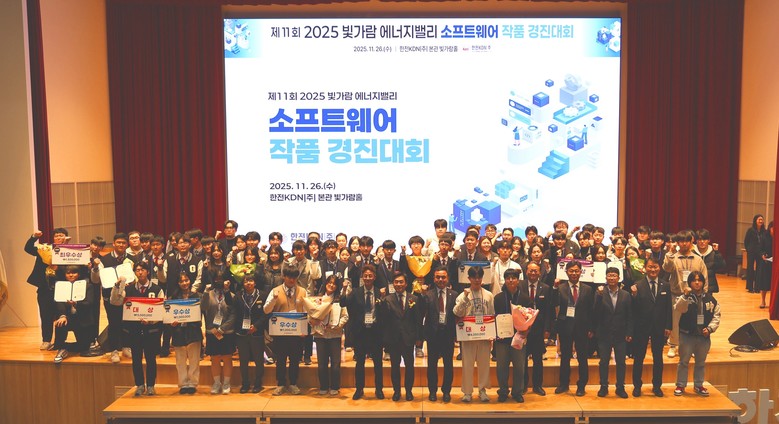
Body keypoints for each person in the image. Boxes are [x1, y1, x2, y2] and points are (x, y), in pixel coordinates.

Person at [116, 261, 164, 395]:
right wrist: (117, 286)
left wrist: (151, 320)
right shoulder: (129, 289)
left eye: (142, 270)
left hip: (151, 330)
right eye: (137, 270)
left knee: (150, 359)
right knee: (136, 359)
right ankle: (139, 385)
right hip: (134, 330)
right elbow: (116, 301)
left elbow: (161, 310)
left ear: (147, 272)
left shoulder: (157, 289)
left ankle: (151, 386)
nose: (140, 272)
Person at [340, 264, 385, 400]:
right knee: (360, 363)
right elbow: (343, 303)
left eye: (370, 276)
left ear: (374, 277)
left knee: (378, 363)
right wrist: (344, 289)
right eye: (365, 276)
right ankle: (359, 389)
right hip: (360, 332)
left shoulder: (379, 292)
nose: (368, 278)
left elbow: (385, 311)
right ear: (362, 277)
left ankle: (379, 389)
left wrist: (383, 299)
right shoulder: (356, 292)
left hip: (376, 332)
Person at [630, 257, 672, 397]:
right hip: (641, 327)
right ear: (645, 268)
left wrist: (668, 326)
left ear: (659, 268)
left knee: (658, 358)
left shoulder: (665, 285)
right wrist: (634, 295)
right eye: (650, 267)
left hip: (659, 327)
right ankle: (637, 386)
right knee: (639, 357)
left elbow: (668, 308)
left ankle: (657, 386)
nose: (653, 269)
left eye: (655, 267)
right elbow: (634, 309)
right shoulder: (638, 285)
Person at [674, 271, 720, 396]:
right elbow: (679, 308)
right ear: (689, 283)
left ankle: (699, 385)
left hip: (703, 337)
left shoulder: (710, 299)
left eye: (699, 280)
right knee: (683, 361)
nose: (697, 283)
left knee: (700, 362)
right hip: (686, 335)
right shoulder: (684, 297)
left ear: (703, 283)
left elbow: (716, 316)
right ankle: (680, 385)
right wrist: (685, 295)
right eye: (694, 280)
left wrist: (710, 329)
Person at [552, 260, 594, 396]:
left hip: (582, 327)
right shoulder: (560, 288)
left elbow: (591, 310)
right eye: (571, 271)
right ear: (566, 272)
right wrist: (554, 288)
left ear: (581, 272)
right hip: (565, 327)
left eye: (576, 271)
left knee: (582, 357)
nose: (574, 273)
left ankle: (581, 385)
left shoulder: (588, 289)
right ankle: (564, 384)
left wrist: (591, 328)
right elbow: (553, 303)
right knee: (565, 357)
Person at [663, 231, 708, 358]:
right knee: (675, 321)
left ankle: (692, 346)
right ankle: (673, 345)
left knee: (693, 321)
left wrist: (703, 293)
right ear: (677, 243)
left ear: (691, 242)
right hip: (677, 294)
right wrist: (670, 253)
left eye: (686, 241)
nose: (684, 244)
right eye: (681, 241)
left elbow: (704, 277)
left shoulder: (698, 259)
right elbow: (667, 268)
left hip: (694, 296)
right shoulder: (673, 257)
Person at [379, 271, 423, 401]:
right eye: (396, 282)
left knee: (410, 367)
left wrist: (419, 338)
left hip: (409, 338)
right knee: (395, 367)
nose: (398, 284)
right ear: (393, 284)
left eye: (401, 282)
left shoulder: (413, 299)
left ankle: (409, 391)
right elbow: (383, 319)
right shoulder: (388, 299)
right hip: (394, 339)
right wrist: (381, 299)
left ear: (406, 284)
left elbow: (418, 320)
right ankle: (397, 391)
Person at [91, 232, 134, 363]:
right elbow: (96, 280)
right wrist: (95, 267)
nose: (121, 245)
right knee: (114, 323)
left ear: (127, 245)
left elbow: (136, 276)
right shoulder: (104, 260)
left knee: (127, 323)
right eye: (118, 242)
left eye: (123, 243)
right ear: (114, 244)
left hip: (128, 297)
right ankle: (114, 350)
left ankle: (126, 347)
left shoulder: (132, 259)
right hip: (110, 297)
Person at [453, 266, 495, 402]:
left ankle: (482, 390)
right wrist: (465, 297)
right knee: (467, 364)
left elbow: (492, 315)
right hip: (468, 335)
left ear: (482, 278)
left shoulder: (489, 295)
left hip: (484, 335)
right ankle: (467, 392)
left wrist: (492, 333)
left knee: (484, 364)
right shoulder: (463, 295)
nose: (477, 280)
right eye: (474, 277)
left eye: (479, 277)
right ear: (469, 278)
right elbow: (457, 312)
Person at [263, 267, 307, 396]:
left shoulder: (303, 291)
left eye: (294, 277)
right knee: (281, 359)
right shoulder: (275, 291)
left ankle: (293, 383)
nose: (292, 280)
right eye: (289, 277)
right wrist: (274, 299)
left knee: (295, 359)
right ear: (284, 277)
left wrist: (304, 329)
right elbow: (266, 310)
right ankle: (281, 384)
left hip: (297, 333)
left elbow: (307, 311)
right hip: (280, 333)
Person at [25, 228, 70, 351]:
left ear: (66, 237)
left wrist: (57, 268)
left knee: (61, 315)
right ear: (53, 238)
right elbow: (28, 249)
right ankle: (46, 340)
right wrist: (34, 237)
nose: (59, 238)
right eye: (56, 236)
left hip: (62, 288)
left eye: (61, 235)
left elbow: (72, 269)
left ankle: (59, 342)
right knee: (45, 315)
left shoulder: (70, 251)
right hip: (45, 288)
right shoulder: (45, 248)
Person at [593, 267, 633, 398]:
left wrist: (629, 332)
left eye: (614, 275)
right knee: (604, 362)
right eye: (609, 275)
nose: (611, 278)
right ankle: (603, 386)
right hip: (604, 333)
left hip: (621, 333)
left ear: (619, 278)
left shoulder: (625, 295)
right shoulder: (600, 293)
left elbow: (630, 315)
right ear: (606, 277)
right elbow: (595, 312)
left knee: (621, 362)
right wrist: (599, 297)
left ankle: (620, 387)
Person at [494, 268, 531, 403]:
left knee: (519, 367)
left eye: (513, 278)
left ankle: (517, 392)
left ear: (518, 280)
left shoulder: (525, 298)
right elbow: (494, 317)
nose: (511, 280)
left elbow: (530, 317)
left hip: (519, 337)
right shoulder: (498, 298)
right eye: (508, 278)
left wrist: (526, 330)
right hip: (502, 339)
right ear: (504, 280)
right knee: (501, 367)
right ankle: (503, 391)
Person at [308, 274, 349, 396]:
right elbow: (310, 315)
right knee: (322, 364)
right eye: (329, 283)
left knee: (335, 364)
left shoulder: (339, 300)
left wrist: (337, 325)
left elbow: (345, 316)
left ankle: (335, 386)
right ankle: (323, 386)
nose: (331, 285)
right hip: (320, 335)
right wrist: (312, 321)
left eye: (334, 284)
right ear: (325, 284)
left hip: (335, 335)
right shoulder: (317, 299)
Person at [422, 267, 458, 402]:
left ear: (447, 278)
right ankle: (432, 391)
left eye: (443, 277)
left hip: (448, 335)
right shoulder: (428, 295)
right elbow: (422, 314)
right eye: (438, 277)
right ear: (434, 279)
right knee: (432, 365)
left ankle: (446, 391)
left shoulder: (454, 295)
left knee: (448, 365)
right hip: (433, 335)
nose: (440, 280)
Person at [231, 275, 267, 393]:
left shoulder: (263, 295)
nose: (248, 283)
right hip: (241, 333)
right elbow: (235, 314)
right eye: (246, 281)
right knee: (243, 360)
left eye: (251, 281)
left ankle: (258, 383)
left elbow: (266, 314)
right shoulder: (238, 296)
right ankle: (245, 383)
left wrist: (256, 326)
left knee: (258, 360)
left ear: (255, 283)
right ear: (243, 284)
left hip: (257, 332)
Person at [51, 265, 94, 364]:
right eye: (68, 273)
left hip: (83, 319)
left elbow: (89, 303)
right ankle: (61, 347)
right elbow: (59, 302)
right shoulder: (61, 286)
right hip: (68, 318)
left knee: (84, 347)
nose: (71, 275)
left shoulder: (88, 286)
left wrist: (76, 304)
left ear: (78, 274)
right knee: (61, 322)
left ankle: (64, 347)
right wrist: (62, 316)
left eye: (74, 273)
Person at [520, 262, 552, 396]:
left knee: (538, 359)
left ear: (540, 273)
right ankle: (523, 385)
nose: (533, 273)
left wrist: (547, 329)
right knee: (522, 359)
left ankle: (537, 385)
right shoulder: (520, 286)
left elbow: (549, 310)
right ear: (526, 271)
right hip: (522, 329)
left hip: (538, 329)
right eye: (531, 271)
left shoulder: (546, 288)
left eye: (536, 271)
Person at [169, 273, 203, 394]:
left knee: (194, 359)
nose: (184, 283)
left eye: (186, 280)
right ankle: (183, 384)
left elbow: (201, 314)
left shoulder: (197, 296)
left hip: (193, 330)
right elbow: (168, 315)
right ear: (178, 283)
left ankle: (192, 383)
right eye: (181, 281)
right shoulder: (173, 298)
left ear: (190, 281)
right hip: (178, 331)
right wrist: (171, 322)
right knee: (180, 360)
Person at [202, 275, 235, 394]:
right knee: (214, 358)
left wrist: (223, 328)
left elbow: (233, 314)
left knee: (227, 358)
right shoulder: (208, 294)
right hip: (212, 331)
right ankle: (216, 383)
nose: (219, 282)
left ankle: (226, 383)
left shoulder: (231, 295)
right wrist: (206, 292)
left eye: (221, 280)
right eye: (216, 280)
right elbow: (203, 307)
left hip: (227, 332)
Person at [693, 229, 725, 294]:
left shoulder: (713, 253)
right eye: (699, 239)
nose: (702, 242)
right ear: (696, 241)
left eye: (704, 239)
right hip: (694, 285)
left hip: (709, 285)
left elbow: (722, 267)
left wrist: (717, 253)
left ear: (709, 240)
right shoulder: (692, 253)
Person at [744, 214, 765, 293]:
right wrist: (748, 249)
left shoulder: (764, 231)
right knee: (750, 269)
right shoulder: (750, 230)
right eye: (759, 219)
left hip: (760, 252)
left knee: (759, 270)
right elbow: (746, 241)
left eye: (762, 220)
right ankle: (750, 287)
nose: (761, 221)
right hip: (751, 252)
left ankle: (757, 288)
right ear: (755, 221)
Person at [757, 222, 774, 308]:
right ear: (770, 228)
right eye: (773, 228)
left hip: (775, 264)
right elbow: (760, 249)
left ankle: (774, 304)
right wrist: (763, 255)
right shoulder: (764, 236)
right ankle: (763, 301)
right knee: (764, 283)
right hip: (766, 263)